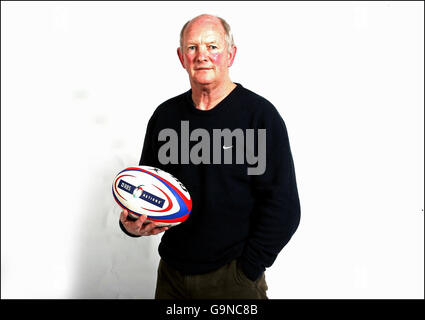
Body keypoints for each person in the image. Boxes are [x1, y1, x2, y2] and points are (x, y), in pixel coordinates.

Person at [119, 13, 301, 299]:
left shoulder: (260, 116)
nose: (202, 55)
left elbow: (284, 207)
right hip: (171, 277)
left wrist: (247, 270)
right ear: (181, 57)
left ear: (231, 54)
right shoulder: (165, 116)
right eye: (192, 47)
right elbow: (147, 190)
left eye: (212, 46)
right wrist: (131, 223)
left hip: (232, 278)